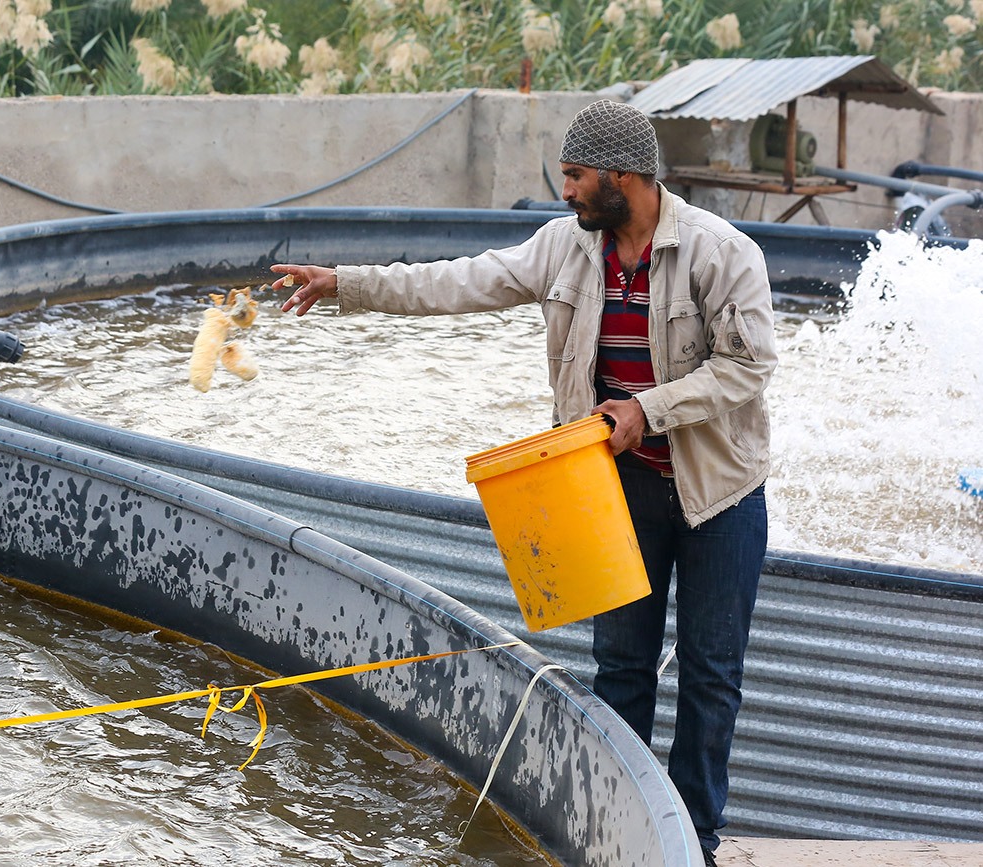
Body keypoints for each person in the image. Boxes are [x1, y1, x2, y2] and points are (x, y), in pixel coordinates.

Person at [269, 99, 776, 866]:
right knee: (622, 671)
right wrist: (346, 283)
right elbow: (458, 282)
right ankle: (621, 839)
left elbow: (748, 366)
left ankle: (694, 844)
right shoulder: (564, 248)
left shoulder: (720, 252)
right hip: (618, 491)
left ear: (624, 176)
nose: (564, 191)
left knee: (712, 677)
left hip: (721, 496)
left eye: (575, 175)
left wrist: (647, 408)